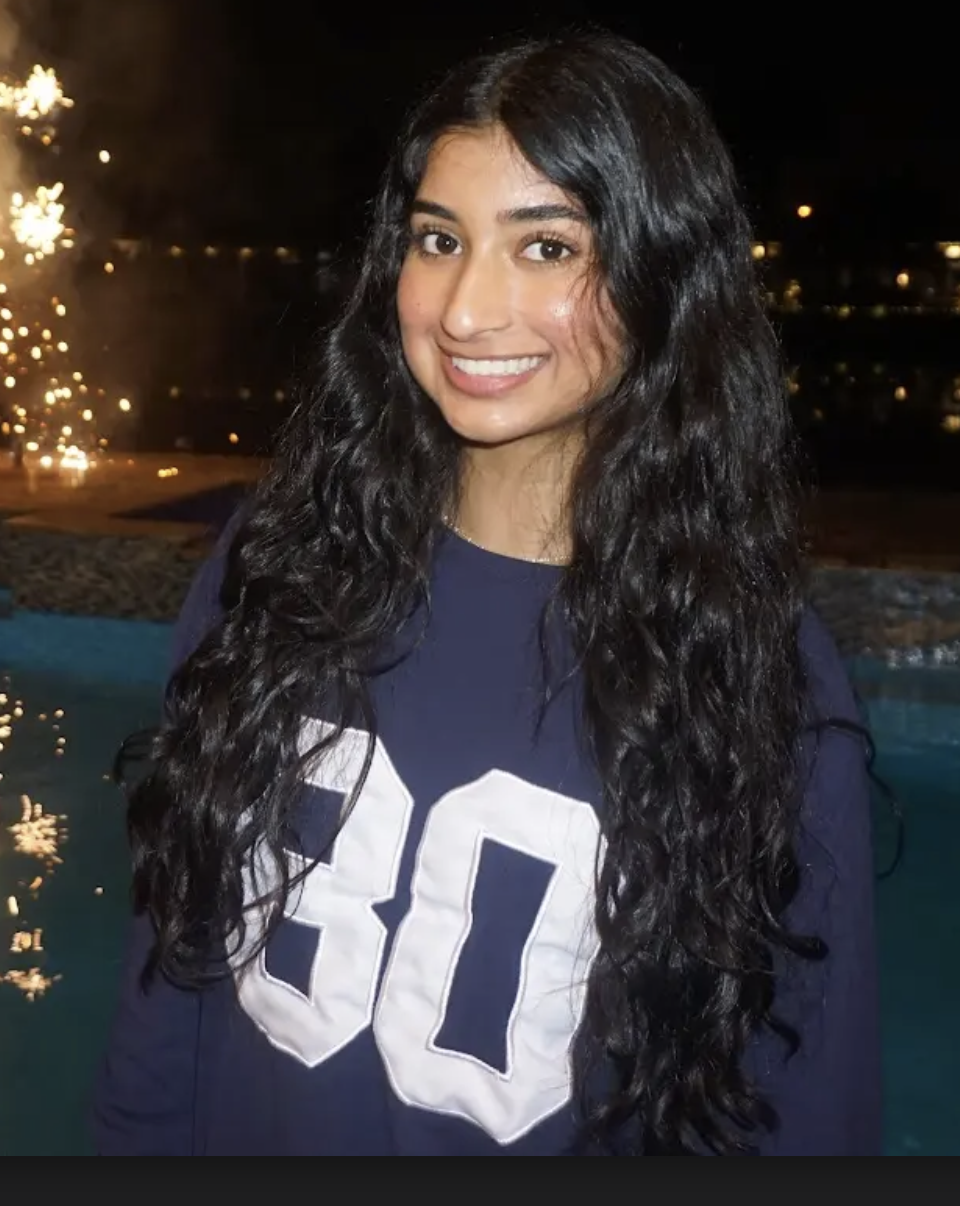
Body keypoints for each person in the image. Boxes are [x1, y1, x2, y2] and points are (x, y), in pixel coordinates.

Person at [92, 29, 882, 1156]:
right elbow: (173, 973)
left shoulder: (756, 674)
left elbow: (797, 1106)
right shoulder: (281, 568)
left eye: (547, 247)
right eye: (439, 239)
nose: (466, 309)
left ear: (663, 274)